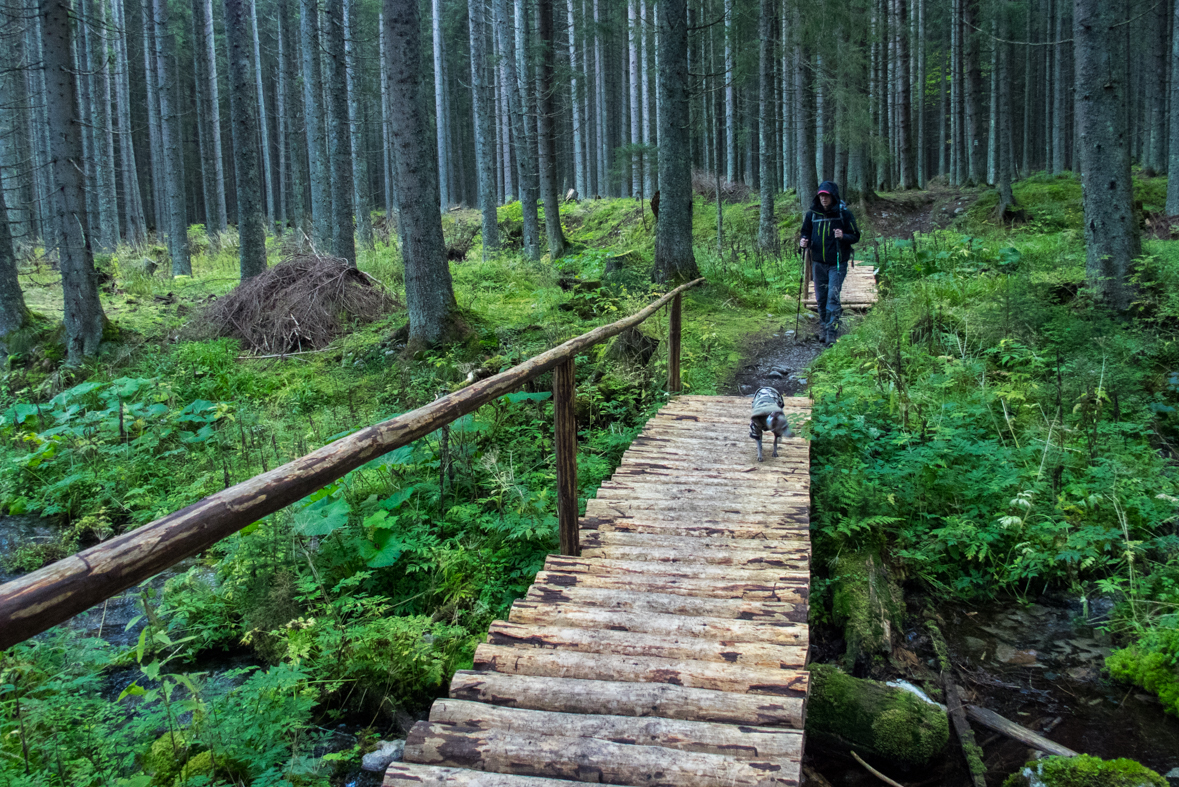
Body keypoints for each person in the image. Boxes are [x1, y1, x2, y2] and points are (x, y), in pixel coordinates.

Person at [800, 181, 860, 345]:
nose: (824, 199)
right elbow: (805, 232)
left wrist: (843, 236)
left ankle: (832, 331)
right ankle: (824, 327)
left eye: (826, 195)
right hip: (818, 262)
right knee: (821, 298)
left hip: (838, 263)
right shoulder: (812, 215)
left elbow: (855, 235)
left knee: (833, 296)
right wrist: (803, 241)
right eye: (821, 195)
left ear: (833, 196)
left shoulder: (844, 214)